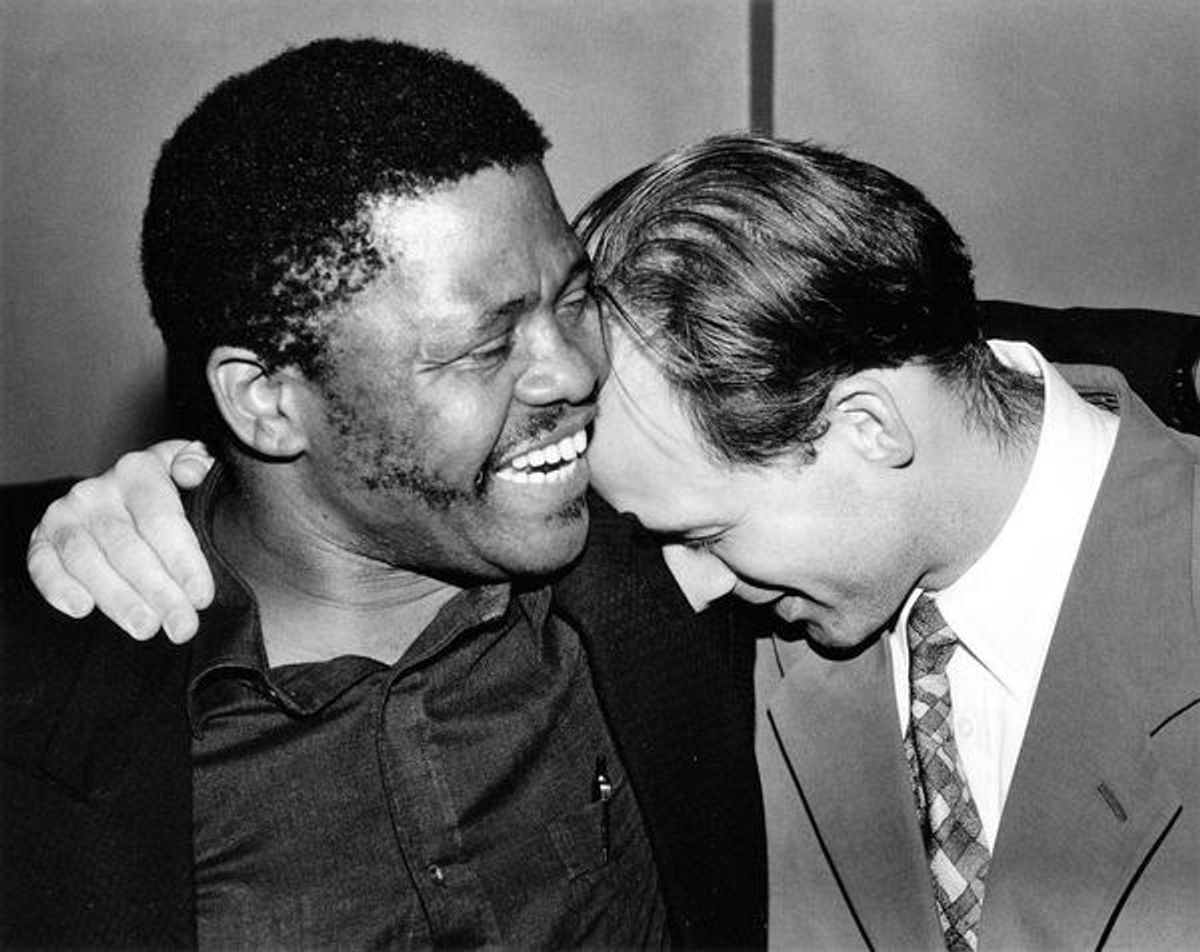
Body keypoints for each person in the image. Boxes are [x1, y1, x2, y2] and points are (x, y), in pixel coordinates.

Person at [31, 134, 1200, 950]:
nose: (679, 582)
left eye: (704, 528)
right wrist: (180, 485)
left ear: (867, 430)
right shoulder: (763, 595)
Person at [0, 40, 767, 950]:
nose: (570, 370)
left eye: (572, 298)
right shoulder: (50, 706)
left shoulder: (687, 561)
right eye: (482, 348)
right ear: (267, 402)